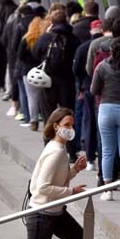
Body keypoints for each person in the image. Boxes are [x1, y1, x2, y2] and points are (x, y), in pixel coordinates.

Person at [7, 108, 103, 239]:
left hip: (54, 212)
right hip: (42, 215)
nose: (71, 129)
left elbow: (54, 179)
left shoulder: (58, 148)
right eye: (67, 125)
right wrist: (71, 191)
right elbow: (41, 187)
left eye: (72, 125)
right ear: (55, 126)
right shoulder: (56, 151)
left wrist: (74, 170)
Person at [91, 38, 120, 201]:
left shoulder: (102, 66)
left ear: (111, 51)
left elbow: (94, 89)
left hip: (106, 109)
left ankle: (108, 190)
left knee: (107, 151)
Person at [33, 10, 80, 162]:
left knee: (48, 117)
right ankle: (72, 152)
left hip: (48, 83)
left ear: (51, 22)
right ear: (66, 21)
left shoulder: (46, 37)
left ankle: (49, 150)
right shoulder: (73, 38)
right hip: (67, 83)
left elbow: (35, 53)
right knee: (68, 117)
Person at [73, 19, 105, 171]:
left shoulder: (82, 47)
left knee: (89, 121)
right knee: (102, 124)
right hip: (106, 89)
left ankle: (90, 158)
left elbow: (77, 69)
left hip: (88, 88)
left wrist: (81, 86)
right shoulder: (111, 44)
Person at [18, 14, 49, 132]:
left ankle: (33, 121)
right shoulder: (42, 38)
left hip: (28, 72)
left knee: (31, 97)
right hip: (41, 71)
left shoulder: (26, 39)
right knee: (43, 96)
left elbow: (20, 55)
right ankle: (46, 119)